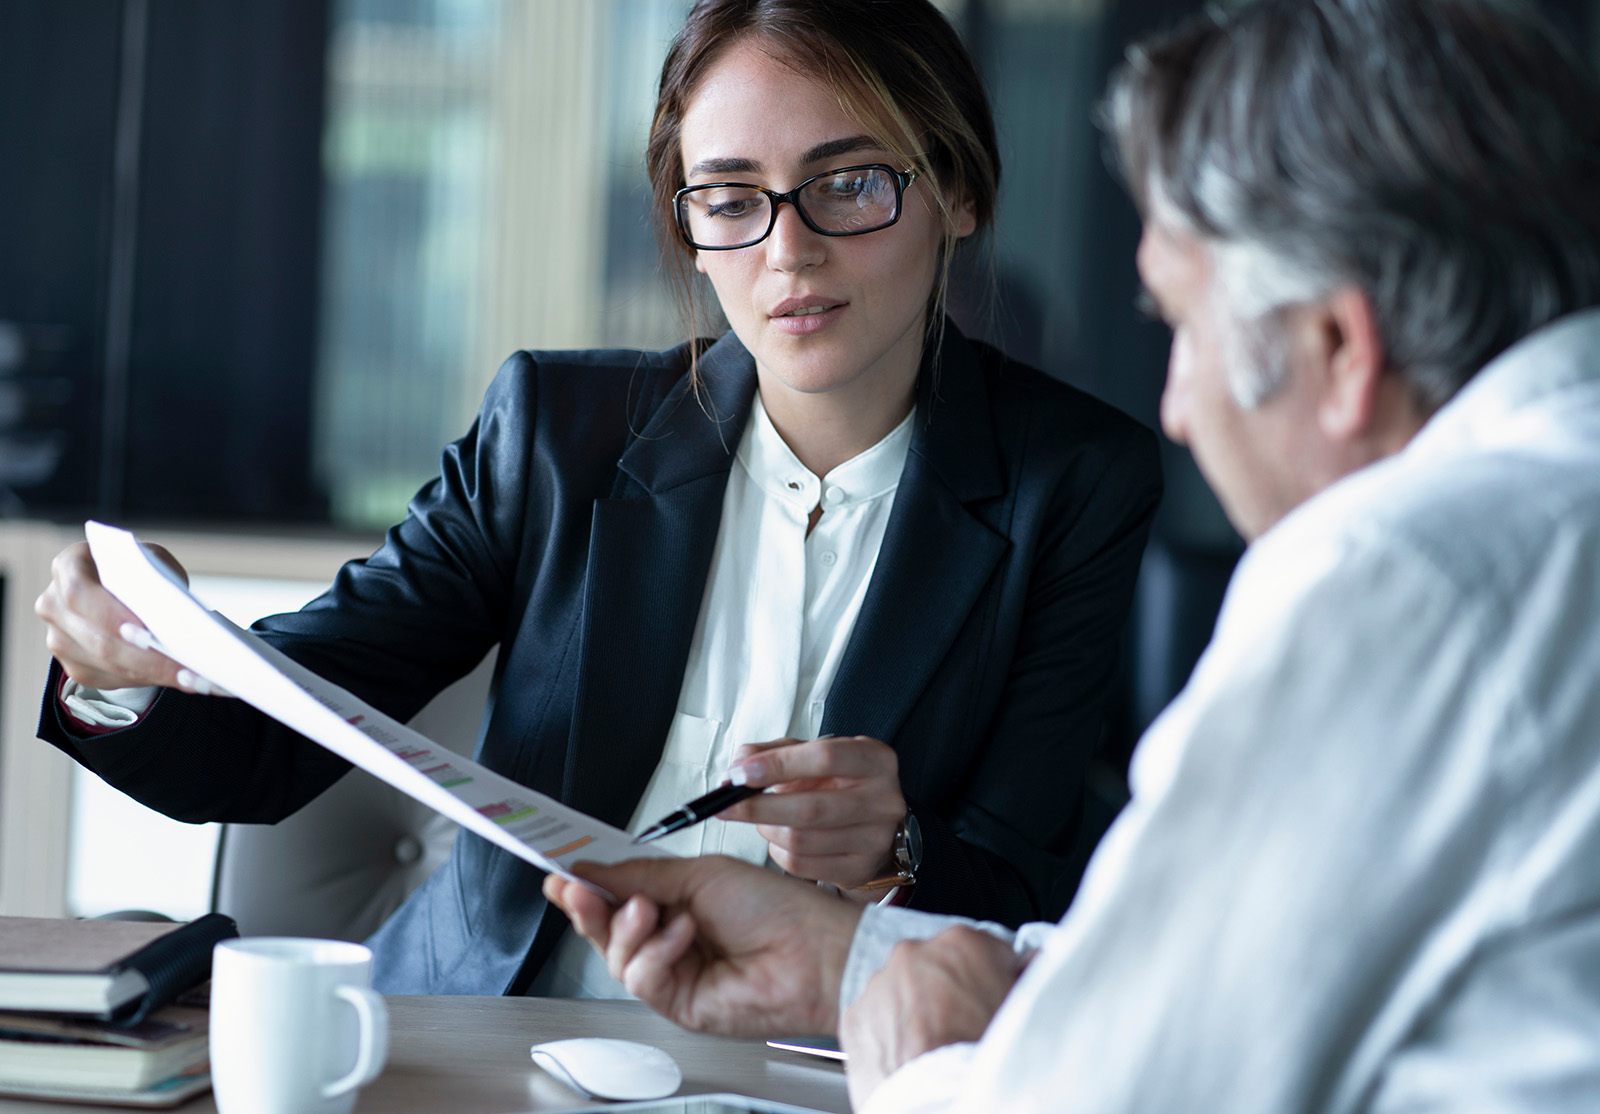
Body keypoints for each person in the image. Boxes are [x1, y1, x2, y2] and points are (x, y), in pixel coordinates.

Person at [545, 0, 1600, 1108]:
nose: (1180, 407)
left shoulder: (1402, 578)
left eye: (1182, 326)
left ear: (1337, 348)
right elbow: (1202, 985)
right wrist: (845, 963)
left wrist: (914, 1067)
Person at [33, 0, 1161, 997]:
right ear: (688, 226)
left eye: (849, 184)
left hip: (821, 1070)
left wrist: (897, 849)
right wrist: (118, 667)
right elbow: (270, 743)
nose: (789, 252)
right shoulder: (554, 435)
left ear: (956, 191)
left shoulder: (1073, 481)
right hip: (489, 1043)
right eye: (730, 199)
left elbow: (1031, 894)